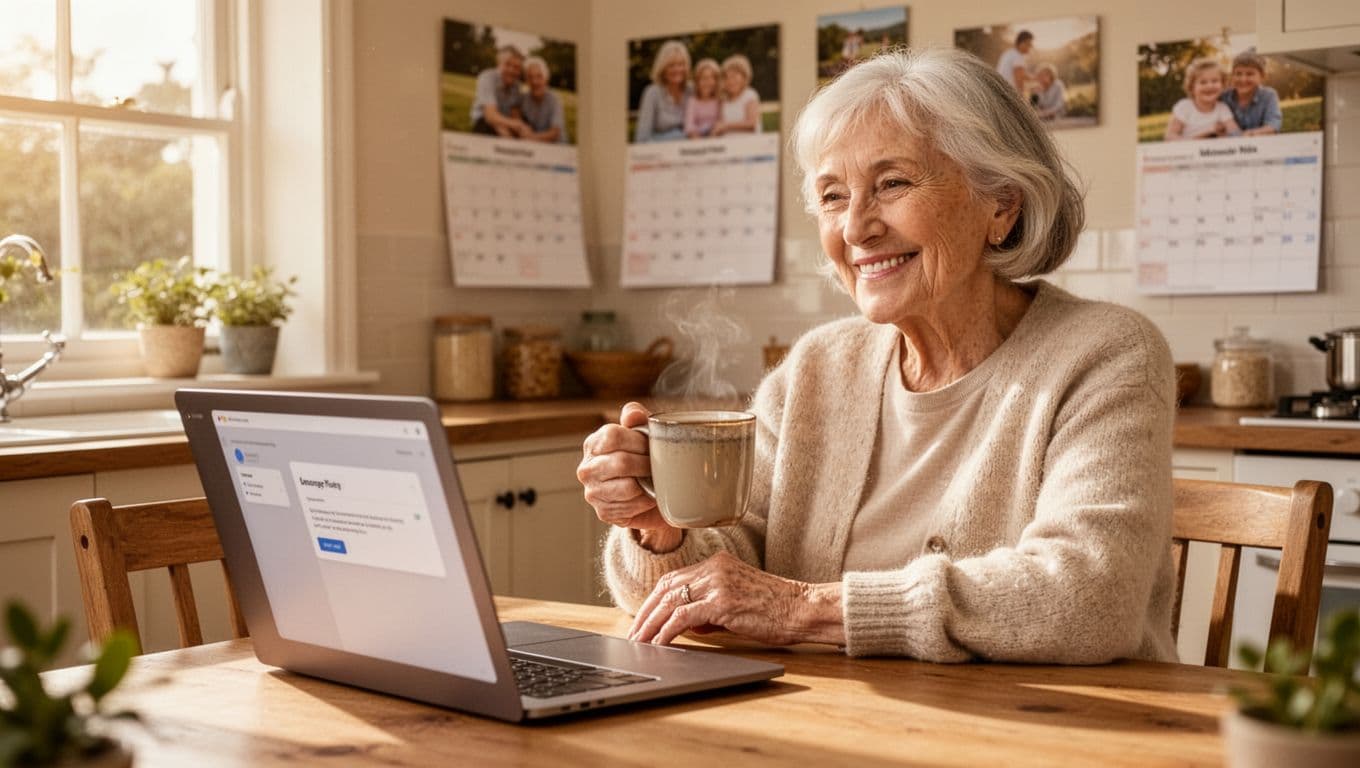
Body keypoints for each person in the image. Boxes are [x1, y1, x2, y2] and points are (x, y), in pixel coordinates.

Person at [577, 47, 1178, 664]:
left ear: (1002, 204)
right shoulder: (816, 369)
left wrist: (801, 608)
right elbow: (719, 577)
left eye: (892, 184)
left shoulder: (1106, 356)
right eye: (833, 196)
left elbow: (1088, 597)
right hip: (836, 727)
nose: (857, 228)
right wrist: (662, 529)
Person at [1165, 58, 1240, 141]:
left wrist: (1226, 135)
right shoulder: (1184, 107)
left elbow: (1235, 132)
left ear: (1223, 86)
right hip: (1188, 149)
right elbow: (1170, 136)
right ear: (1192, 87)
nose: (1209, 86)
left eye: (1215, 81)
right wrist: (1200, 138)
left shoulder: (1222, 108)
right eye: (1203, 82)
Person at [634, 40, 691, 142]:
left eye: (681, 64)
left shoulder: (691, 90)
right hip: (660, 153)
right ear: (663, 68)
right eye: (671, 65)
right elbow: (642, 138)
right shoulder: (652, 93)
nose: (677, 69)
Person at [1220, 50, 1282, 136]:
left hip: (1261, 145)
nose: (1243, 79)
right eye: (1238, 74)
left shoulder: (1269, 95)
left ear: (1262, 76)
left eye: (1250, 74)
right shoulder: (1223, 97)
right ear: (1232, 75)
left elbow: (1273, 125)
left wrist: (1248, 135)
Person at [471, 45, 528, 138]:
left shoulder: (516, 85)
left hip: (506, 121)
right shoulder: (487, 77)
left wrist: (519, 129)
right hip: (484, 121)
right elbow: (490, 116)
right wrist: (516, 126)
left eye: (516, 67)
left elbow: (515, 114)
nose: (511, 70)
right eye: (507, 64)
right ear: (499, 64)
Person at [517, 56, 567, 143]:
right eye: (530, 77)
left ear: (546, 78)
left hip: (556, 147)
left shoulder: (554, 99)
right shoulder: (524, 98)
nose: (534, 81)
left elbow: (555, 133)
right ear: (526, 80)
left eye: (539, 76)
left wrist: (530, 137)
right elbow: (515, 113)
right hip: (535, 146)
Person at [712, 54, 760, 136]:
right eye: (726, 77)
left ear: (744, 77)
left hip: (749, 143)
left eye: (734, 76)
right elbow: (720, 126)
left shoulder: (749, 95)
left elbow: (752, 124)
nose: (730, 81)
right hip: (729, 143)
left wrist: (726, 126)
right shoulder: (724, 100)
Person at [684, 58, 722, 139]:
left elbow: (721, 121)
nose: (707, 82)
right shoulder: (693, 101)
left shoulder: (719, 100)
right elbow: (689, 125)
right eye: (703, 78)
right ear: (697, 81)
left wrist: (714, 136)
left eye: (711, 78)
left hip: (716, 138)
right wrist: (696, 139)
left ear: (716, 81)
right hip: (697, 139)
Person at [995, 30, 1034, 94]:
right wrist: (1022, 98)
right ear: (1022, 43)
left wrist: (1034, 78)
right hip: (1008, 93)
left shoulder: (1009, 53)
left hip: (1000, 90)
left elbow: (1020, 74)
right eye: (1029, 44)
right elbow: (1019, 80)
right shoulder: (1018, 56)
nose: (1031, 46)